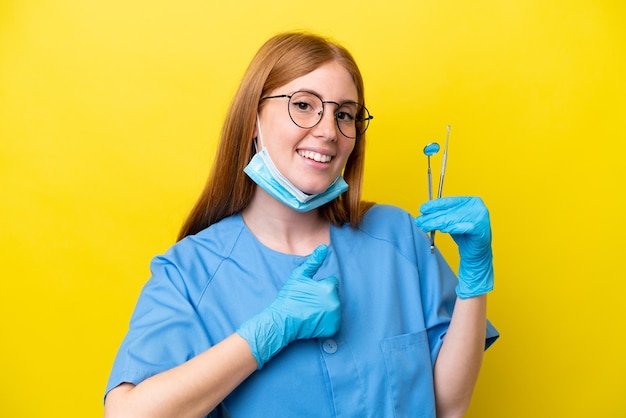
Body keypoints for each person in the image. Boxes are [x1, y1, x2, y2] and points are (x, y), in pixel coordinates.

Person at [104, 31, 499, 418]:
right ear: (253, 118)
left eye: (344, 113)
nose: (329, 131)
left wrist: (473, 282)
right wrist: (265, 334)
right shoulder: (191, 273)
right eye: (304, 105)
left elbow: (448, 406)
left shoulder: (398, 236)